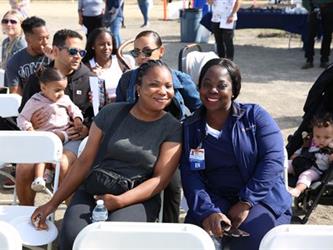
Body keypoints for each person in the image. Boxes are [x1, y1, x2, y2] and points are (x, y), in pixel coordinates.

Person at [31, 60, 182, 250]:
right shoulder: (111, 113)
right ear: (138, 88)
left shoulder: (173, 127)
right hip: (94, 189)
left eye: (168, 86)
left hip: (137, 197)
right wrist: (52, 203)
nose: (163, 91)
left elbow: (160, 179)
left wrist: (120, 201)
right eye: (154, 84)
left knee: (110, 241)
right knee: (72, 239)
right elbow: (84, 162)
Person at [180, 58, 292, 250]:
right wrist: (208, 211)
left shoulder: (254, 116)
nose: (213, 90)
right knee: (193, 241)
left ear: (234, 90)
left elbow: (272, 161)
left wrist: (246, 202)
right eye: (207, 84)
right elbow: (192, 174)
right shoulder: (192, 128)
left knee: (248, 241)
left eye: (221, 85)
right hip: (215, 200)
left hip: (261, 199)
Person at [115, 30, 201, 223]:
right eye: (136, 53)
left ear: (161, 51)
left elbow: (200, 111)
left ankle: (170, 228)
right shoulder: (128, 80)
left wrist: (184, 131)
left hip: (169, 144)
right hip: (134, 143)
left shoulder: (179, 79)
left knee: (171, 182)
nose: (141, 57)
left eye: (147, 51)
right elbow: (117, 113)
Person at [16, 29, 95, 205]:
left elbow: (97, 115)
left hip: (73, 139)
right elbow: (23, 114)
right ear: (56, 51)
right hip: (39, 137)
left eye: (82, 52)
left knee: (64, 164)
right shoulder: (37, 79)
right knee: (23, 169)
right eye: (73, 51)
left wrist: (85, 128)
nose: (78, 57)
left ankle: (69, 215)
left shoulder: (90, 79)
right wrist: (32, 129)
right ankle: (26, 214)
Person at [17, 67, 84, 192]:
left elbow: (74, 109)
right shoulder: (35, 101)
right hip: (44, 137)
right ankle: (40, 178)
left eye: (63, 89)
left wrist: (77, 119)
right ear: (43, 88)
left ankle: (53, 180)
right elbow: (21, 118)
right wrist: (29, 127)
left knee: (58, 158)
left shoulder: (64, 99)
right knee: (43, 151)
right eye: (57, 90)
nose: (62, 93)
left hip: (67, 136)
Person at [288, 113, 333, 197]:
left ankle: (298, 189)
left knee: (305, 176)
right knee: (285, 164)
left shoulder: (330, 150)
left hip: (314, 171)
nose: (321, 140)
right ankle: (269, 176)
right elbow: (303, 149)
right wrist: (295, 154)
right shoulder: (310, 142)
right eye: (317, 136)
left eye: (326, 137)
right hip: (300, 163)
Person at [83, 28, 133, 102]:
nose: (106, 48)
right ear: (93, 46)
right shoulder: (86, 66)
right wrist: (92, 76)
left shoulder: (123, 61)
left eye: (109, 44)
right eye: (101, 44)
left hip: (123, 105)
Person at [4, 16, 50, 94]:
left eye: (47, 37)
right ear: (28, 39)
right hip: (28, 104)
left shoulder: (54, 56)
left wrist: (56, 59)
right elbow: (16, 94)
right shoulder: (14, 62)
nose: (45, 42)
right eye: (40, 39)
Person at [301, 0, 333, 69]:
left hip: (329, 8)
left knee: (327, 35)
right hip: (314, 7)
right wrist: (309, 8)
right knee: (310, 35)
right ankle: (309, 60)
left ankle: (324, 60)